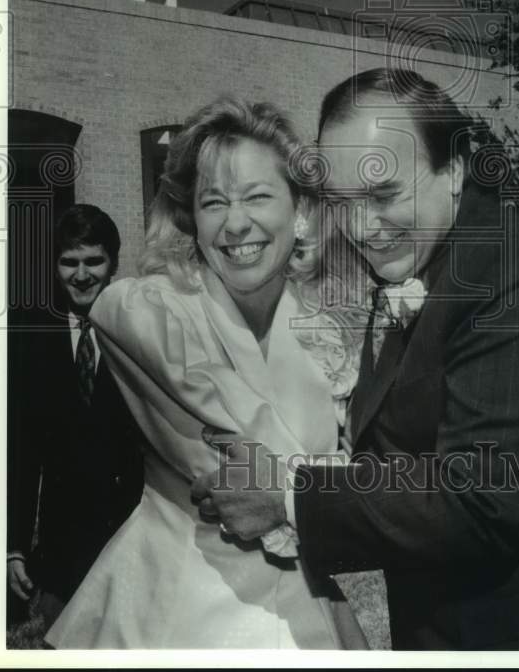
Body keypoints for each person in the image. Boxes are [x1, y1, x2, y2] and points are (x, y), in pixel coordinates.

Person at [194, 67, 519, 651]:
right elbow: (404, 456)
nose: (361, 227)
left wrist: (285, 498)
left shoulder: (517, 278)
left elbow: (479, 500)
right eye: (343, 201)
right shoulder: (425, 259)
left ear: (454, 170)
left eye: (384, 195)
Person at [45, 98, 366, 649]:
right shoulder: (146, 310)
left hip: (303, 610)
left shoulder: (334, 328)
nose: (236, 222)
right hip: (177, 613)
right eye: (214, 201)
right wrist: (337, 491)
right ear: (190, 217)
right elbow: (250, 457)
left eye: (258, 196)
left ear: (302, 209)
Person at [7, 204, 144, 632]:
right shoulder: (30, 338)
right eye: (69, 262)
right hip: (60, 549)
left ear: (114, 264)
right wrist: (13, 546)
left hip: (132, 540)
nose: (81, 274)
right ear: (55, 266)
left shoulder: (140, 328)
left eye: (93, 261)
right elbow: (21, 449)